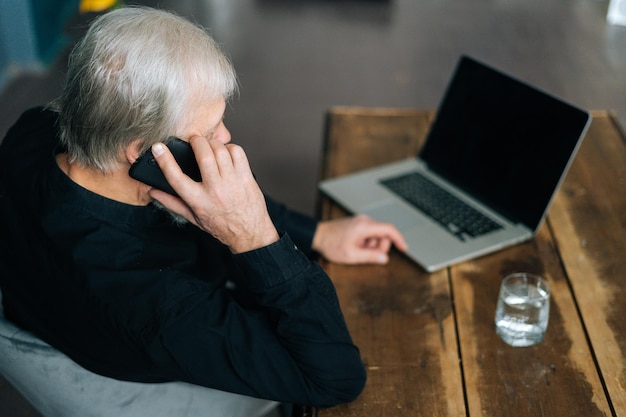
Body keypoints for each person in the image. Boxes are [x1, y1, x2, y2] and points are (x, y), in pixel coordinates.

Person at [0, 6, 407, 412]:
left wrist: (318, 234)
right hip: (151, 371)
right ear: (142, 152)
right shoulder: (161, 304)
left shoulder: (35, 130)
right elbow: (335, 379)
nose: (226, 137)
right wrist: (254, 237)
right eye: (209, 130)